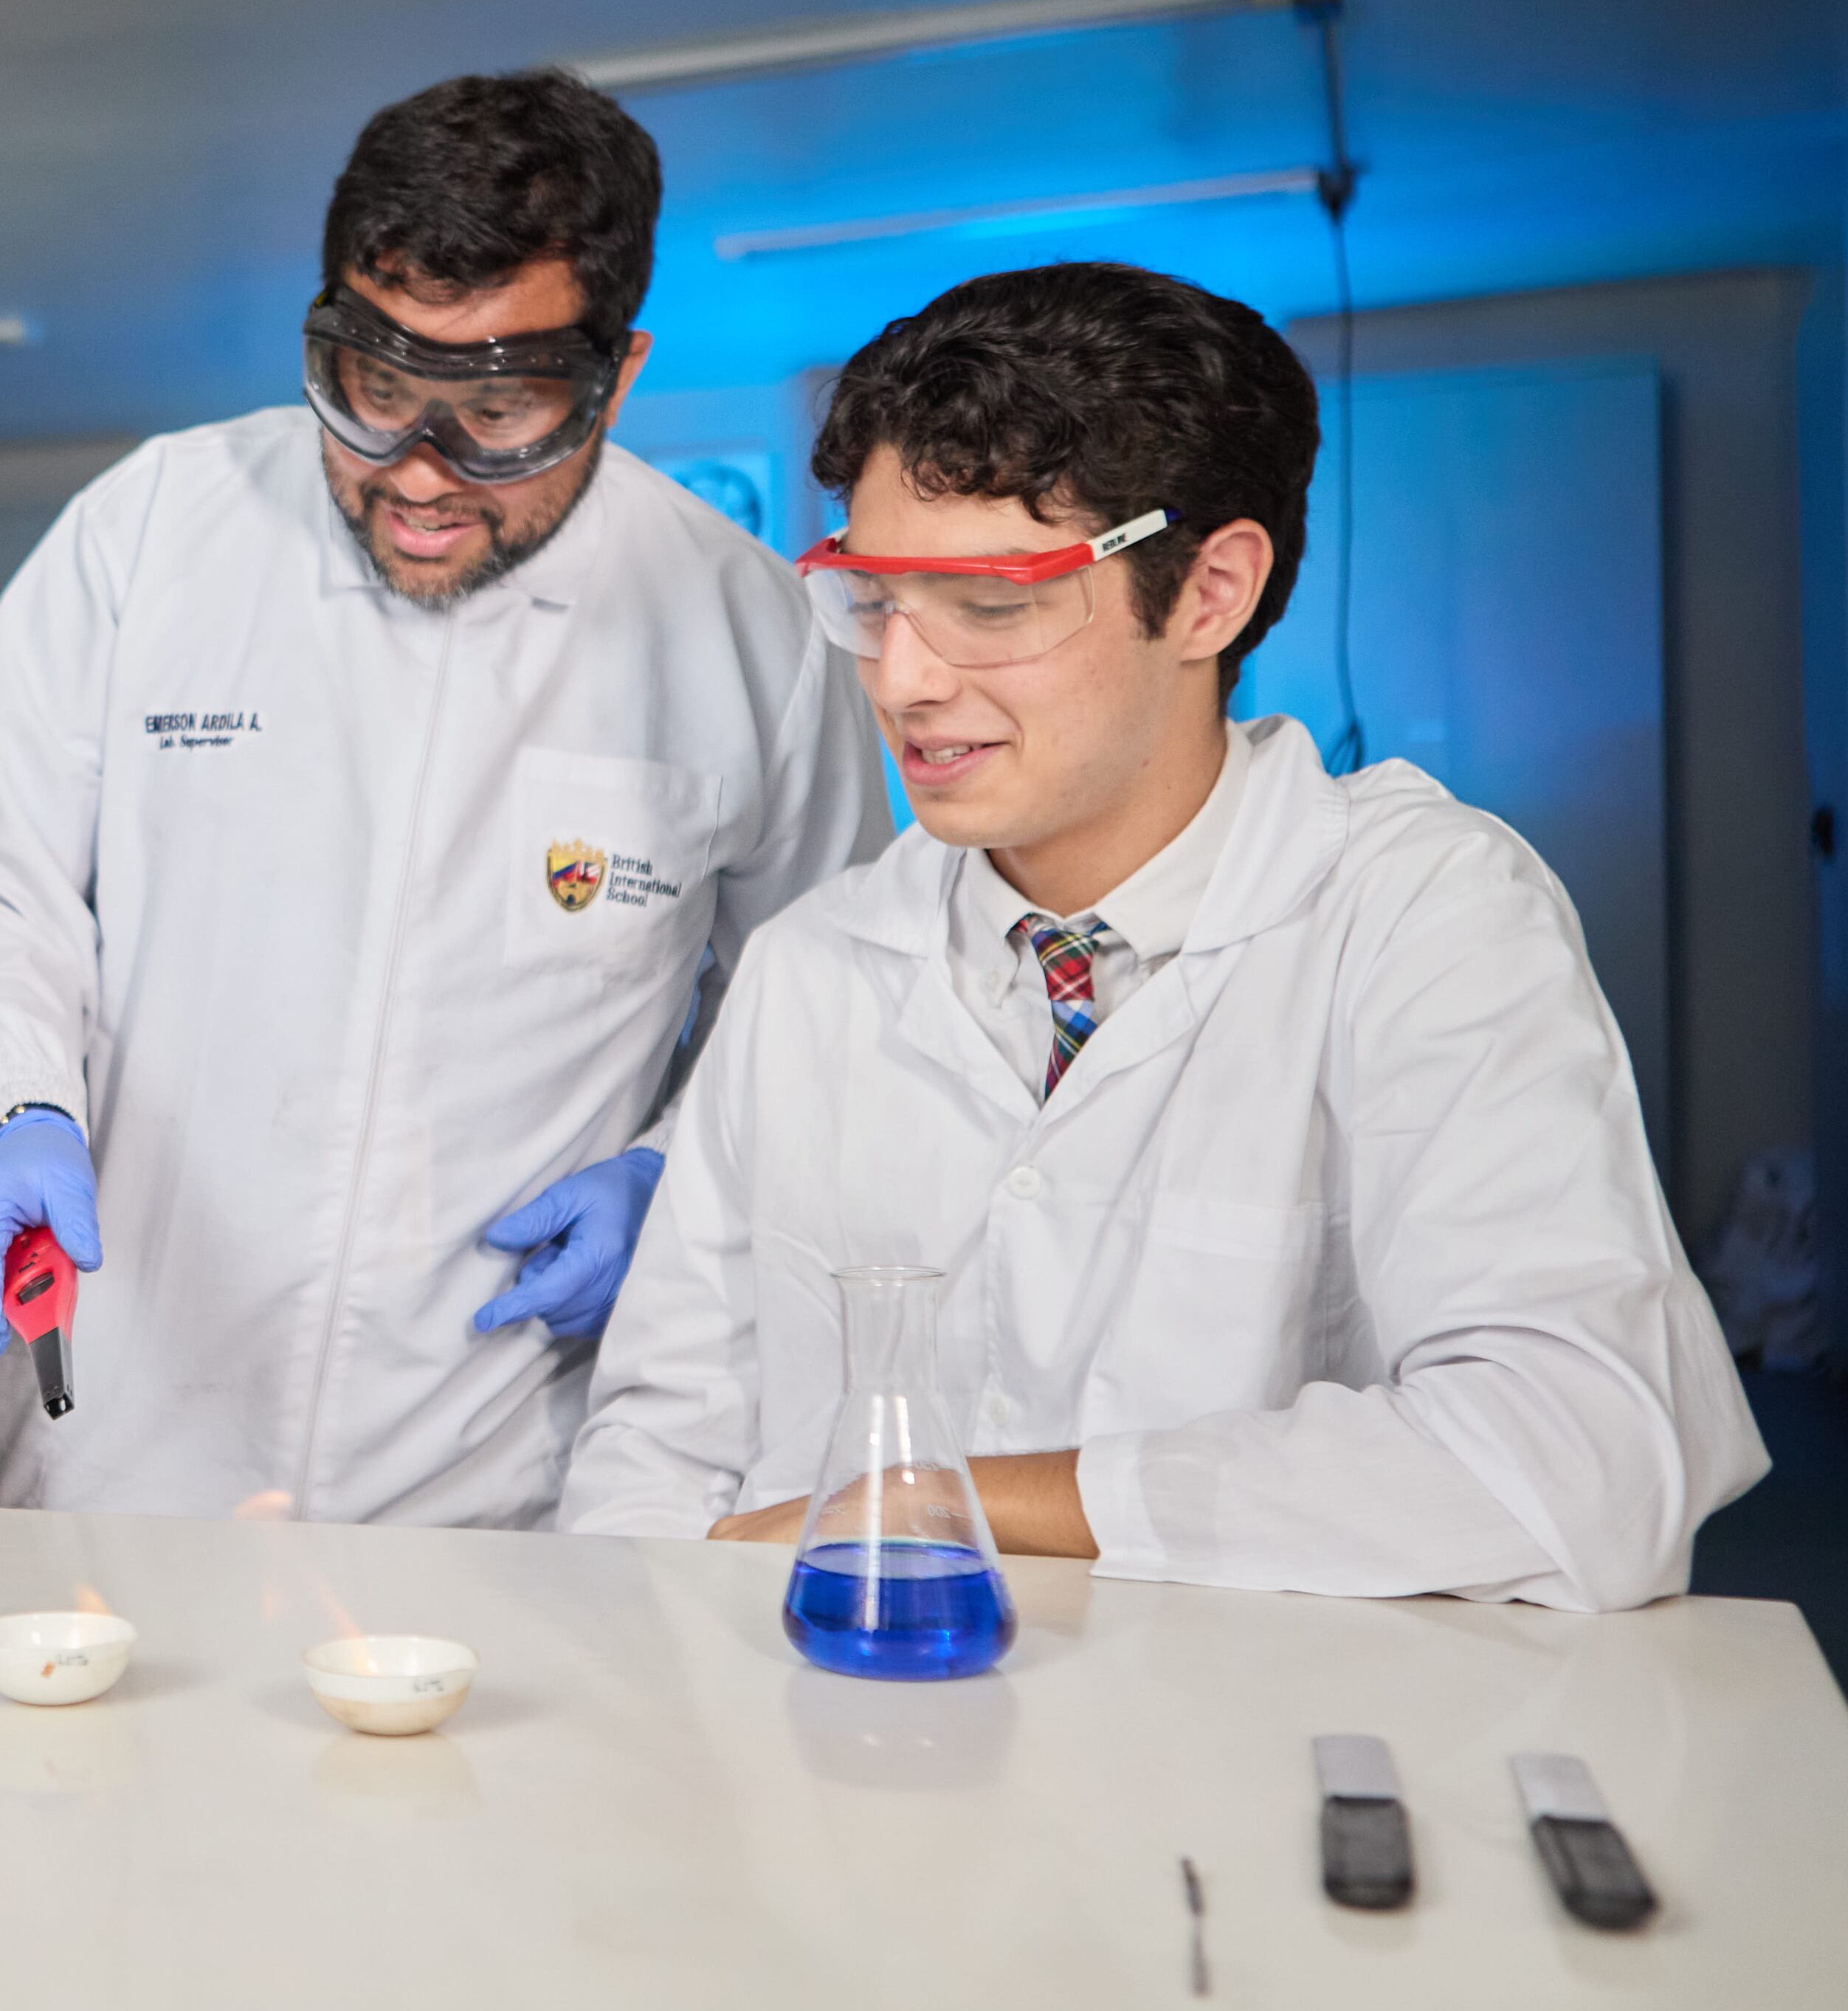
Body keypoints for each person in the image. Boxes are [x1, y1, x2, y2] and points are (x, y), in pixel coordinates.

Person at [557, 261, 1767, 1607]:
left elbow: (1576, 1449)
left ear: (1209, 594)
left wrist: (939, 1501)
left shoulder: (1423, 916)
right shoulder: (814, 968)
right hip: (842, 1752)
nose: (901, 676)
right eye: (876, 596)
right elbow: (661, 1448)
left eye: (993, 605)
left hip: (1261, 1764)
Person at [0, 69, 886, 1525]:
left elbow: (824, 979)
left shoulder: (740, 631)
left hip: (504, 1459)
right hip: (120, 1426)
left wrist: (678, 1173)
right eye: (375, 392)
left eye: (497, 408)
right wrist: (14, 1106)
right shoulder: (155, 529)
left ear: (614, 376)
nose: (417, 473)